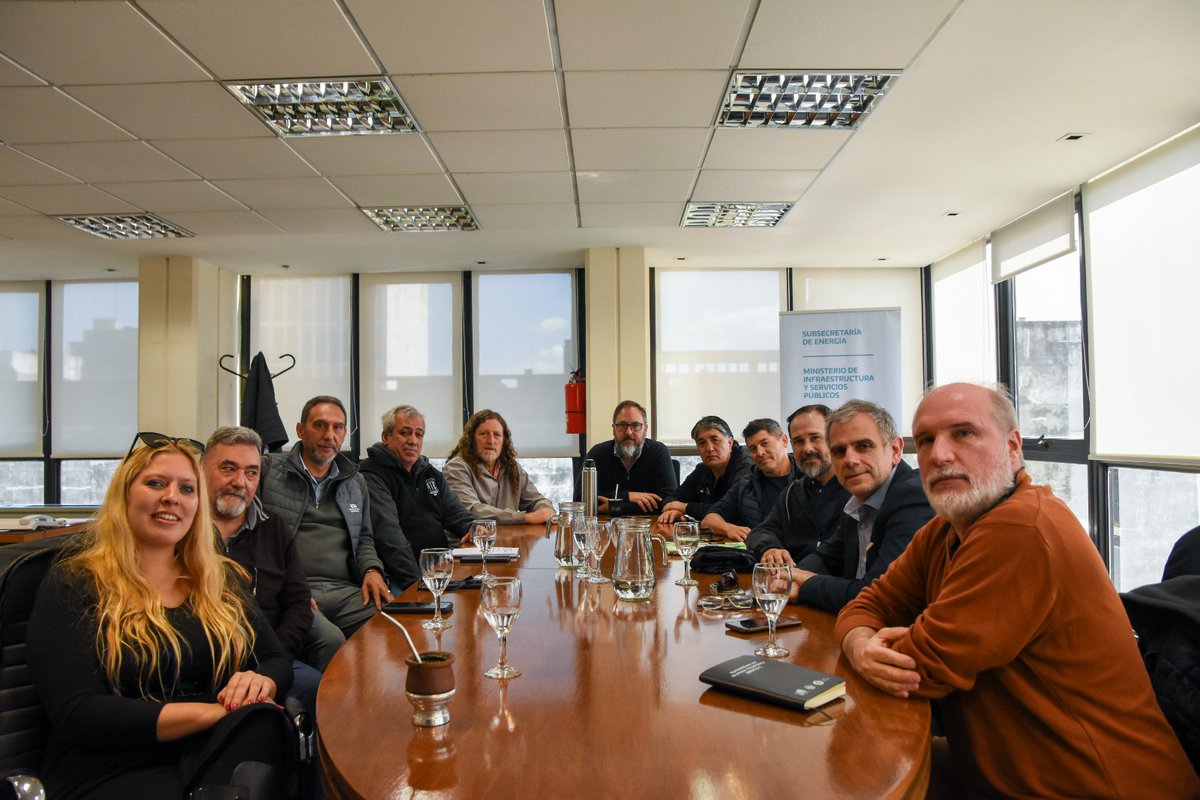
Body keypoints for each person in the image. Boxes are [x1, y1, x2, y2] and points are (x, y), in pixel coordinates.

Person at [835, 383, 1200, 797]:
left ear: (1012, 447)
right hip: (1008, 773)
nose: (939, 454)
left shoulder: (1020, 528)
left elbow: (922, 668)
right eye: (927, 440)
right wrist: (860, 643)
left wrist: (875, 644)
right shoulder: (944, 529)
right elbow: (869, 601)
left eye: (964, 433)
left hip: (1092, 786)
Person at [28, 435, 295, 799]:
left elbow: (275, 658)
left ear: (198, 505)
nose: (172, 497)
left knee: (273, 736)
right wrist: (214, 714)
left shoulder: (219, 579)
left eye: (187, 488)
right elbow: (78, 713)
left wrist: (259, 681)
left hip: (212, 753)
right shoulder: (74, 583)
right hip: (113, 766)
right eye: (155, 483)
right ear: (124, 494)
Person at [203, 426, 323, 715]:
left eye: (251, 473)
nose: (239, 482)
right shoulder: (180, 531)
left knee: (323, 690)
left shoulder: (274, 528)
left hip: (270, 658)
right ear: (201, 469)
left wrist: (272, 666)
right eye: (228, 468)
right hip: (205, 668)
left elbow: (298, 603)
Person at [259, 396, 392, 655]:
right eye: (319, 425)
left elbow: (364, 538)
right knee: (330, 641)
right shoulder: (268, 470)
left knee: (396, 625)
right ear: (300, 430)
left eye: (337, 427)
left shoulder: (355, 481)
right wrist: (284, 587)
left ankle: (370, 695)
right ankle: (321, 695)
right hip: (295, 588)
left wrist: (372, 570)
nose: (329, 435)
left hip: (346, 592)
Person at [785, 400, 933, 613]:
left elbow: (879, 596)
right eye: (839, 451)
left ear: (895, 450)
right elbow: (826, 556)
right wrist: (790, 578)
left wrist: (804, 584)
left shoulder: (914, 496)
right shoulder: (859, 499)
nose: (850, 460)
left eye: (863, 446)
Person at [360, 405, 475, 588]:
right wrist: (417, 586)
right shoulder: (372, 475)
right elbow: (390, 538)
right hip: (401, 577)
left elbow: (455, 512)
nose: (413, 441)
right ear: (385, 437)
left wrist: (474, 528)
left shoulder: (430, 473)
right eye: (405, 433)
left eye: (418, 434)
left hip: (440, 571)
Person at [746, 405, 850, 564]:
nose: (807, 449)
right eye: (799, 441)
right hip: (790, 582)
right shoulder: (793, 493)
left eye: (815, 437)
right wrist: (770, 548)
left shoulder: (857, 491)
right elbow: (761, 531)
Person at [443, 409, 555, 525]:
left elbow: (536, 500)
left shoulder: (512, 468)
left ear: (504, 441)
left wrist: (547, 511)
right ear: (471, 439)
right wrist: (524, 517)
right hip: (469, 541)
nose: (491, 441)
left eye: (497, 435)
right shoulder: (456, 468)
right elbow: (472, 510)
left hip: (507, 540)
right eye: (484, 434)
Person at [701, 418, 800, 540]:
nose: (760, 452)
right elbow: (709, 520)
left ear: (784, 440)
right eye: (753, 449)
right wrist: (728, 528)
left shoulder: (808, 479)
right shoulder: (746, 485)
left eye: (765, 443)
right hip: (759, 552)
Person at [576, 400, 677, 517]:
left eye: (636, 425)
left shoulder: (658, 451)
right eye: (622, 425)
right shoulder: (597, 453)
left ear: (645, 429)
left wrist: (616, 507)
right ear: (613, 429)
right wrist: (629, 496)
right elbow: (581, 499)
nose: (629, 432)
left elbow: (668, 501)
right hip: (606, 528)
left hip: (650, 527)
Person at [657, 415, 752, 524]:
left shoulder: (746, 469)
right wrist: (674, 511)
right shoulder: (702, 469)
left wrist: (685, 508)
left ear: (730, 443)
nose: (709, 448)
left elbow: (731, 512)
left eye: (715, 440)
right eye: (702, 443)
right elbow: (672, 499)